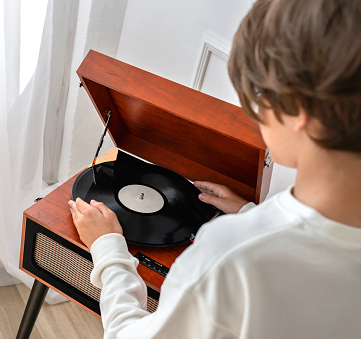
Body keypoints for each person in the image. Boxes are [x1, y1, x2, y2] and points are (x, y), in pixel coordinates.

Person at [68, 0, 361, 337]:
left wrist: (108, 248)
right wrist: (250, 212)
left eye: (261, 92)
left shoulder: (228, 251)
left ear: (297, 110)